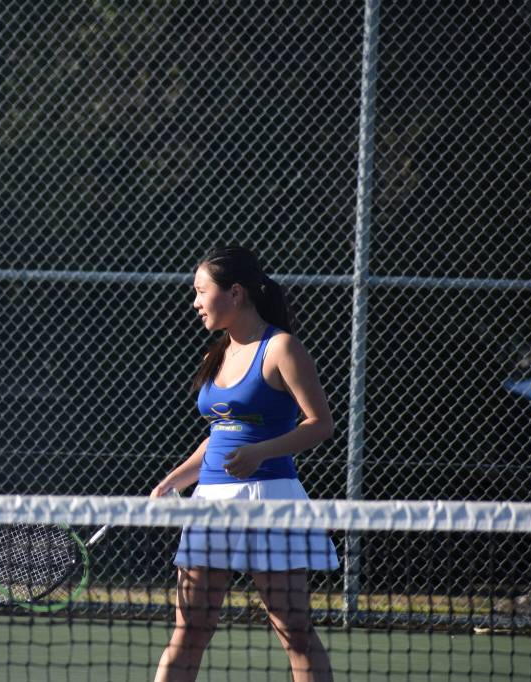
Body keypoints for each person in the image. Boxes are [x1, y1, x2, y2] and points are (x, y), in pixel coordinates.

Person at [151, 246, 339, 682]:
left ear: (234, 293)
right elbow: (218, 437)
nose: (195, 302)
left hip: (270, 501)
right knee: (189, 631)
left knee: (293, 632)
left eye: (201, 291)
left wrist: (261, 452)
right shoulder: (214, 355)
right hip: (210, 505)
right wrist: (173, 480)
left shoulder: (282, 348)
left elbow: (320, 424)